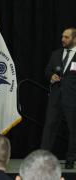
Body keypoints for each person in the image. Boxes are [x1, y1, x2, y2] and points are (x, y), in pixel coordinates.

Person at [41, 27, 76, 169]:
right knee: (49, 128)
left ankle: (70, 159)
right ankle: (43, 159)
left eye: (66, 37)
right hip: (55, 99)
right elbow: (47, 71)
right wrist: (51, 76)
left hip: (73, 100)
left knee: (73, 130)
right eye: (62, 36)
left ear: (74, 39)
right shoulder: (56, 54)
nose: (63, 39)